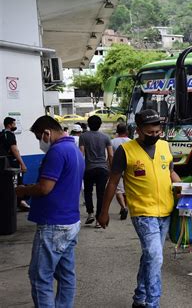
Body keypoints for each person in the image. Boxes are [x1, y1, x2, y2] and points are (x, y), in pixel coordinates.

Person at [98, 109, 181, 308]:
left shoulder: (165, 146)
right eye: (149, 132)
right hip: (143, 213)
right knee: (155, 256)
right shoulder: (125, 151)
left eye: (157, 132)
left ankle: (139, 297)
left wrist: (186, 190)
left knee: (150, 257)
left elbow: (171, 173)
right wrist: (103, 211)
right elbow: (112, 183)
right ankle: (152, 303)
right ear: (138, 130)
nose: (154, 136)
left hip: (166, 212)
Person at [15, 115, 85, 308]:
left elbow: (45, 188)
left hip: (54, 225)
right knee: (66, 275)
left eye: (39, 137)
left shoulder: (57, 151)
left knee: (40, 277)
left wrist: (23, 190)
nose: (40, 142)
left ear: (47, 133)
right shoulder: (75, 150)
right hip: (70, 221)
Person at [79, 115, 113, 228]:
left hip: (88, 168)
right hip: (103, 169)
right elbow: (111, 154)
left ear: (88, 124)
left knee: (88, 192)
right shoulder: (105, 137)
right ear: (100, 125)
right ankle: (99, 220)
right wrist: (110, 167)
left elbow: (81, 154)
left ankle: (90, 213)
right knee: (101, 194)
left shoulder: (83, 137)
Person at [0, 116, 30, 211]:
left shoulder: (1, 134)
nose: (15, 125)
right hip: (12, 163)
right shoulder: (10, 134)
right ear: (9, 125)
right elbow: (14, 149)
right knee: (18, 182)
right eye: (14, 124)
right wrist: (22, 163)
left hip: (3, 164)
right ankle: (20, 201)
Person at [111, 123, 131, 220]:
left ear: (117, 131)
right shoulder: (132, 142)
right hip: (129, 168)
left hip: (116, 168)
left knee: (118, 190)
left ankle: (123, 207)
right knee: (126, 189)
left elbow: (109, 156)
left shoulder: (112, 142)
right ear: (126, 131)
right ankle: (125, 206)